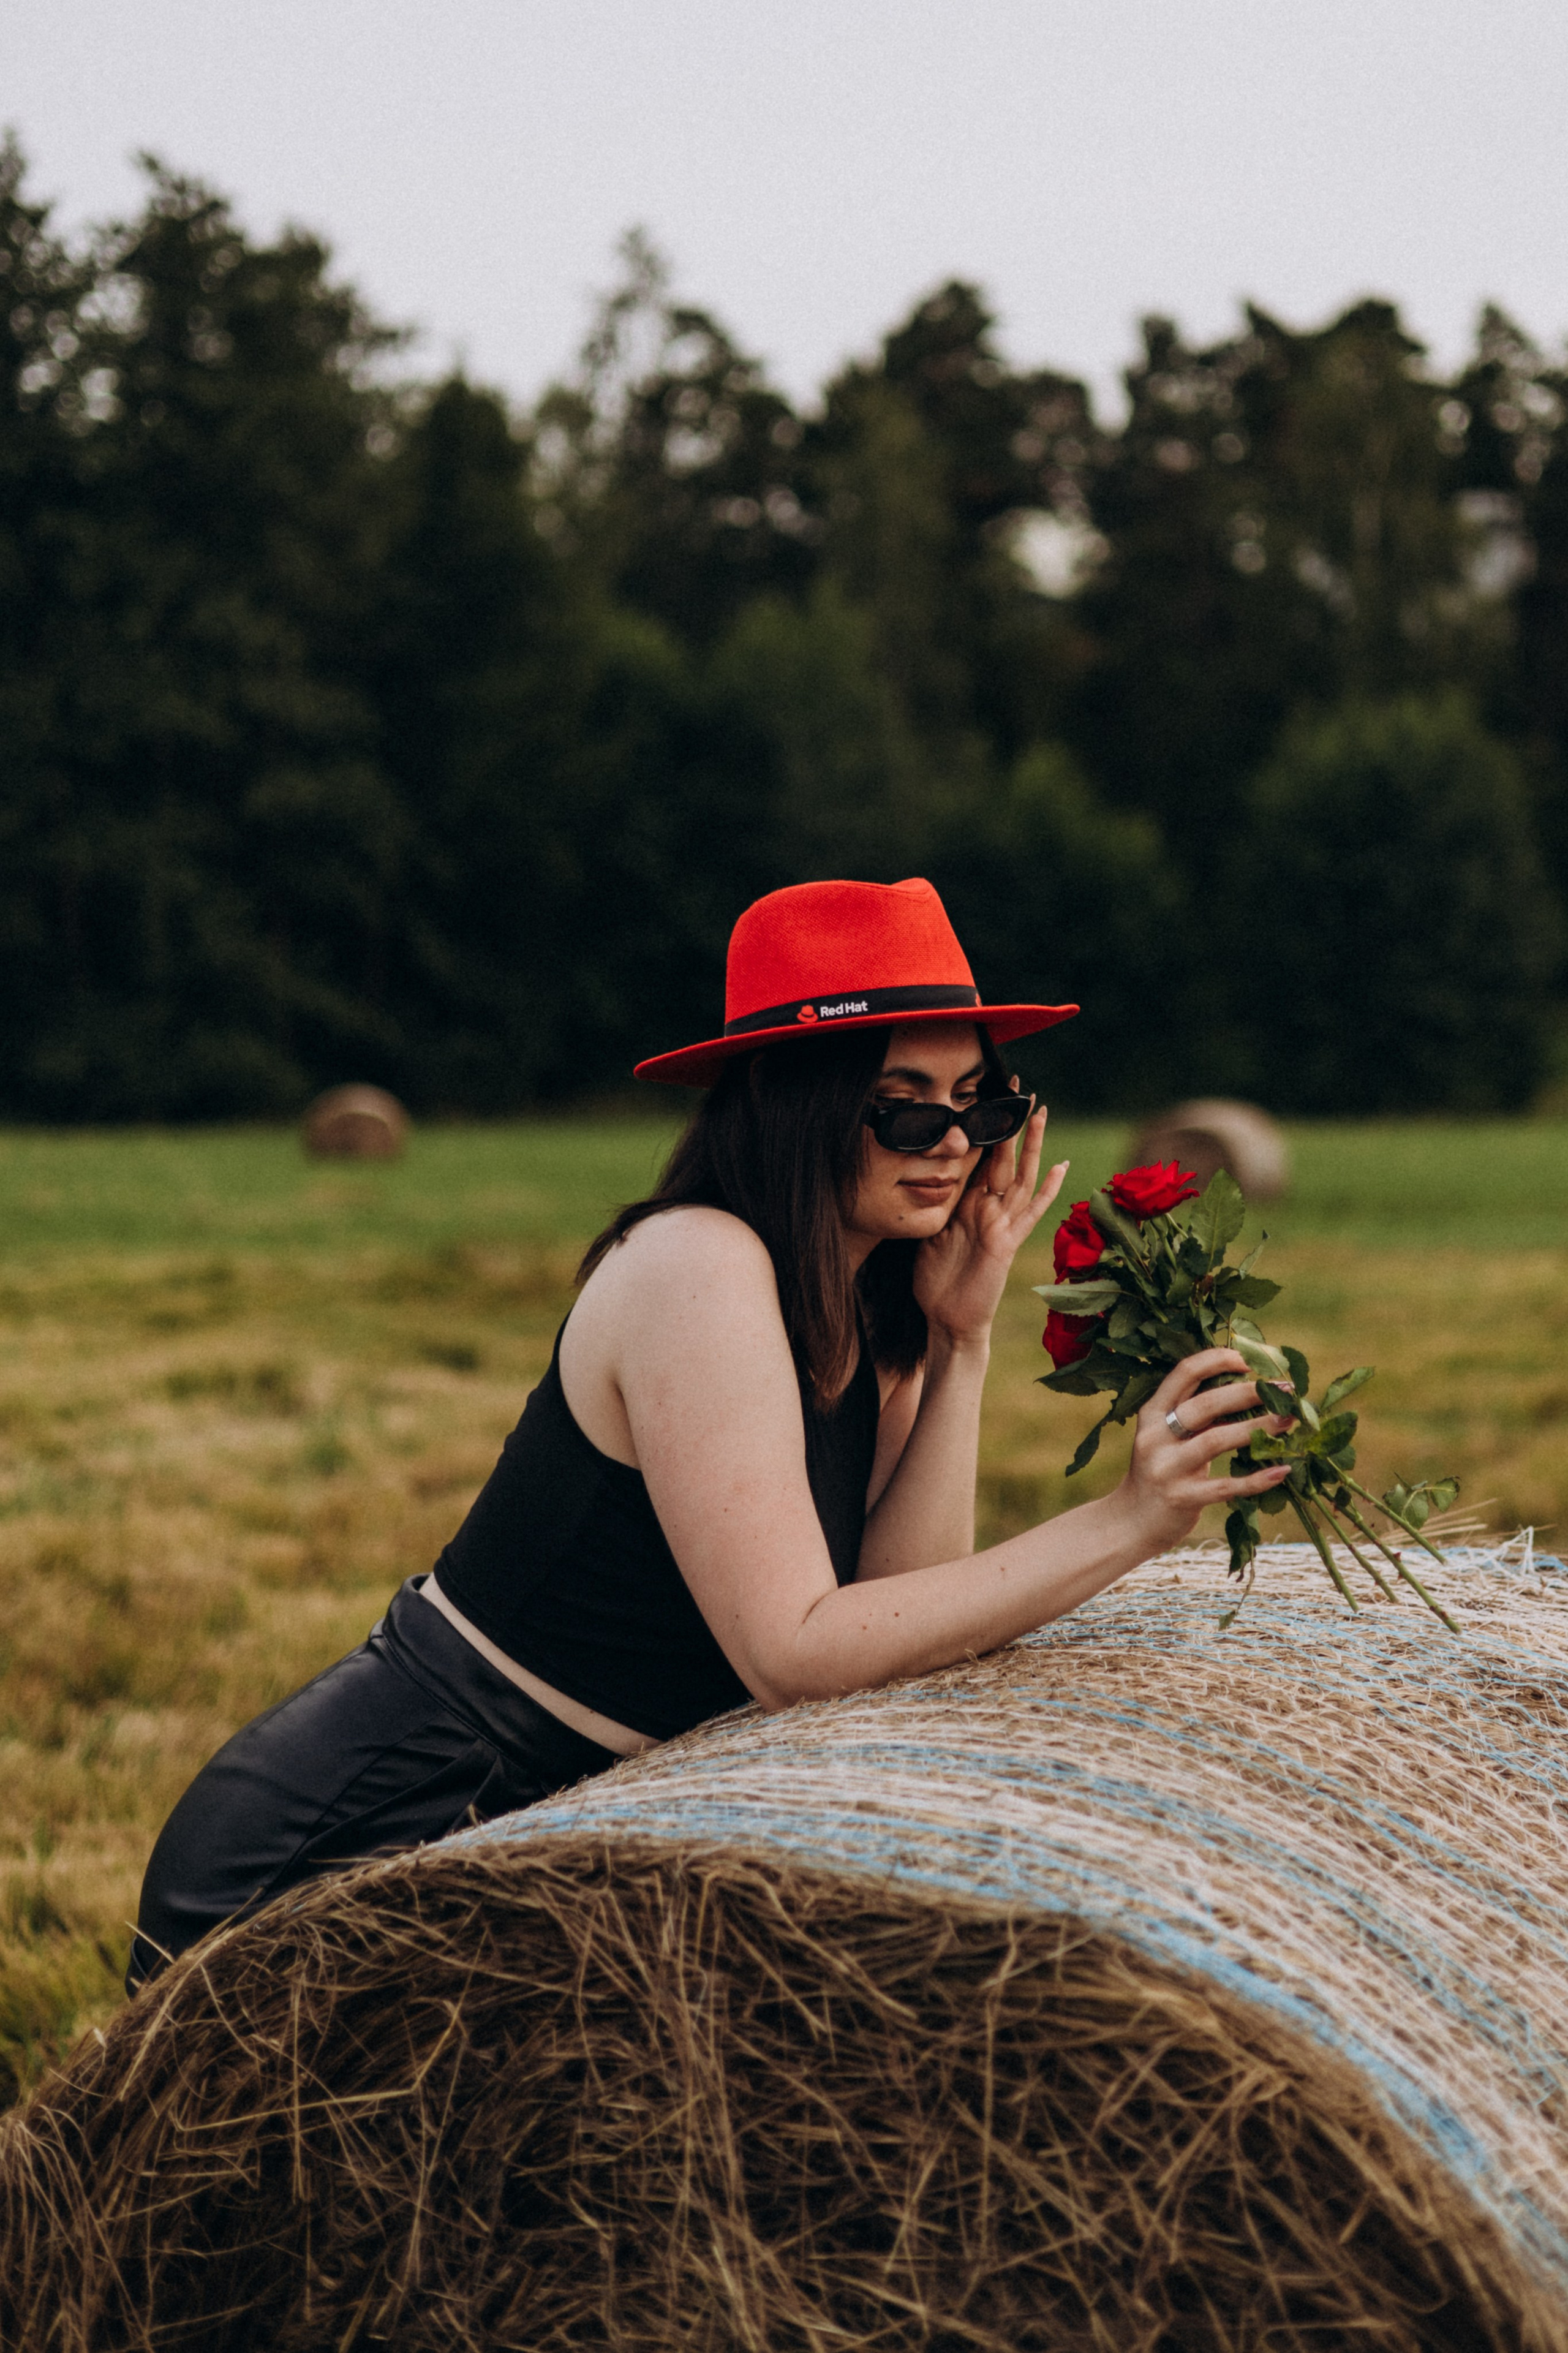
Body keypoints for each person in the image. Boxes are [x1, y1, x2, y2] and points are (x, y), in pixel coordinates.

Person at [129, 877, 1292, 1987]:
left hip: (558, 1841)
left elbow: (901, 1616)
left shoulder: (872, 1302)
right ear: (796, 1100)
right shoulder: (699, 1262)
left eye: (981, 1104)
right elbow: (796, 1651)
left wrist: (960, 1342)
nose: (951, 1141)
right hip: (358, 1839)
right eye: (905, 1106)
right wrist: (1128, 1521)